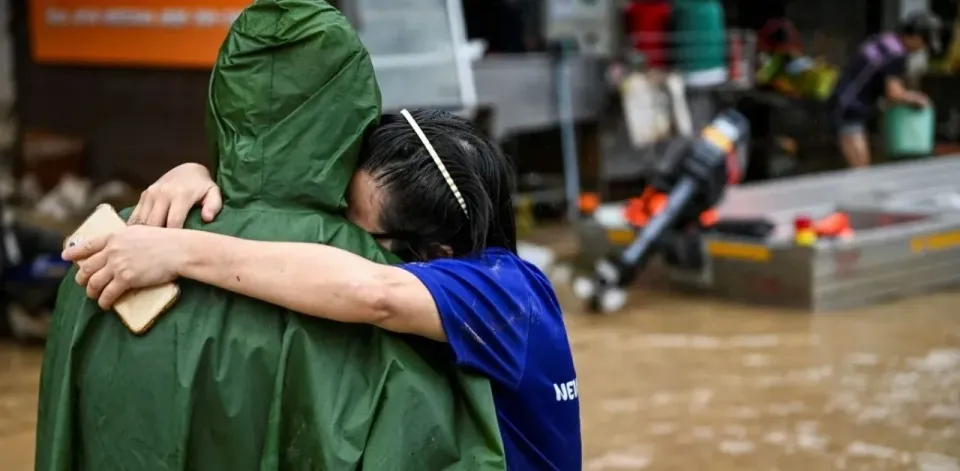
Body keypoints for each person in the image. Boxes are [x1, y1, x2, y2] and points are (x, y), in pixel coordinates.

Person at [38, 2, 506, 469]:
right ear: (354, 112)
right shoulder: (393, 287)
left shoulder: (112, 255)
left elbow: (61, 441)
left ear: (221, 98)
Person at [63, 109, 583, 470]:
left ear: (434, 253)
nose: (333, 237)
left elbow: (374, 292)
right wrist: (198, 182)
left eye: (351, 231)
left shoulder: (508, 295)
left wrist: (179, 252)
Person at [828, 11, 942, 168]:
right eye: (924, 43)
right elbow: (894, 93)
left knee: (858, 160)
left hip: (844, 97)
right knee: (860, 167)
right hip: (850, 105)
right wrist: (917, 99)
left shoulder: (885, 40)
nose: (921, 49)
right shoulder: (896, 54)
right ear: (915, 36)